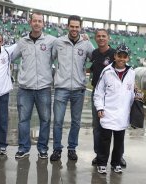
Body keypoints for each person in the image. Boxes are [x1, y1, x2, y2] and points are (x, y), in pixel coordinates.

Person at [11, 12, 56, 159]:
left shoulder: (51, 41)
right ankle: (23, 147)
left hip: (43, 88)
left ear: (43, 24)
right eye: (34, 21)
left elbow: (66, 47)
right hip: (25, 88)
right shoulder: (22, 41)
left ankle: (42, 148)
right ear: (30, 23)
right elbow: (10, 57)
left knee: (45, 119)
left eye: (40, 21)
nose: (37, 23)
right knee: (24, 120)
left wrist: (83, 38)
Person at [50, 15, 94, 161]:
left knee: (76, 121)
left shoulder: (86, 44)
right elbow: (51, 59)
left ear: (80, 27)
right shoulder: (58, 42)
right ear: (67, 26)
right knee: (58, 121)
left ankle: (71, 148)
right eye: (72, 26)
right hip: (61, 88)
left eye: (77, 27)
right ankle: (57, 149)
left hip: (78, 89)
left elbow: (96, 58)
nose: (74, 29)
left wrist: (90, 41)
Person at [94, 44, 135, 174]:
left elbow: (131, 92)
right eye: (119, 56)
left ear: (128, 58)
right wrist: (99, 108)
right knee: (104, 140)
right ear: (115, 56)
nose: (121, 59)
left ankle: (116, 163)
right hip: (108, 112)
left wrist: (135, 105)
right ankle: (101, 163)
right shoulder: (107, 71)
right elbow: (98, 93)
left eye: (124, 56)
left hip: (123, 114)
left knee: (119, 141)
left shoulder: (132, 73)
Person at [90, 29, 127, 167]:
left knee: (118, 127)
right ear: (95, 38)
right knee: (98, 127)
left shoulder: (114, 54)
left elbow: (126, 70)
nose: (101, 38)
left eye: (103, 36)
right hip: (98, 94)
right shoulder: (94, 54)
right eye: (98, 36)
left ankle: (119, 157)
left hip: (113, 95)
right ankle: (99, 155)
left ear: (108, 38)